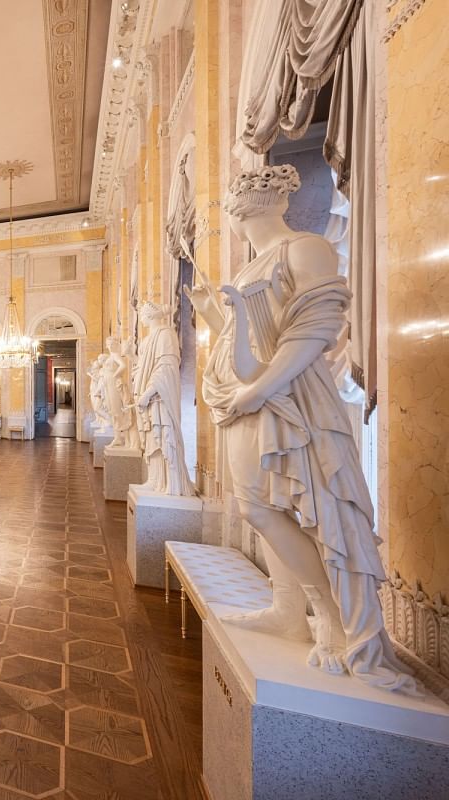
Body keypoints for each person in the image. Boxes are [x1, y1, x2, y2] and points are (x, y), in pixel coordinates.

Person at [189, 163, 416, 693]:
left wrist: (261, 389)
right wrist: (211, 317)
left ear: (248, 211)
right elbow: (244, 338)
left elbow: (313, 331)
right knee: (259, 507)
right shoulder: (248, 269)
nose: (234, 218)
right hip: (243, 400)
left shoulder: (305, 249)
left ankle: (335, 624)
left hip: (288, 400)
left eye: (234, 209)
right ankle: (287, 610)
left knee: (292, 507)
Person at [133, 302, 194, 496]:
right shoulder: (148, 339)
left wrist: (148, 392)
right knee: (152, 438)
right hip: (148, 396)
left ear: (150, 315)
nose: (140, 318)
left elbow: (166, 368)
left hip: (159, 396)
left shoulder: (166, 334)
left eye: (142, 314)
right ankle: (156, 479)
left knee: (164, 436)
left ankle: (173, 483)